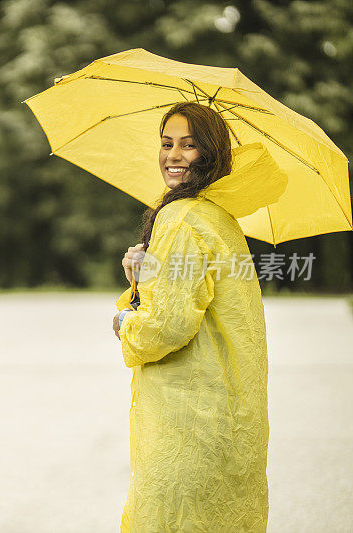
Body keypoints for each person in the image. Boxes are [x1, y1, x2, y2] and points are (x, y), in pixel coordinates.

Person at [110, 101, 287, 532]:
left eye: (189, 146)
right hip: (225, 415)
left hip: (187, 421)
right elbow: (192, 294)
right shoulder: (217, 216)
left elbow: (164, 326)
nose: (173, 155)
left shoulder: (183, 218)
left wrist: (122, 323)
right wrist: (140, 277)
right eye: (166, 143)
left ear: (212, 154)